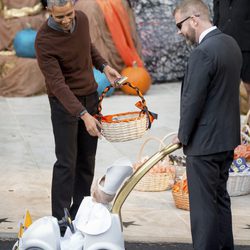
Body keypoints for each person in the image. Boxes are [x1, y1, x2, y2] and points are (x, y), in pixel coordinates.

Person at [35, 0, 121, 228]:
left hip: (89, 96)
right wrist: (83, 115)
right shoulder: (44, 41)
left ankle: (80, 212)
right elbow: (57, 85)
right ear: (48, 11)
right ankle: (61, 219)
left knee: (87, 161)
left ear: (74, 7)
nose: (66, 21)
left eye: (69, 14)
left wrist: (104, 66)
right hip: (63, 104)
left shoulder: (81, 19)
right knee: (66, 162)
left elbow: (87, 46)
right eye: (59, 16)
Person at [172, 0, 242, 249]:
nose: (180, 32)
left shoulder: (203, 52)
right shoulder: (230, 44)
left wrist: (182, 135)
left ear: (194, 19)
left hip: (204, 145)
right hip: (227, 141)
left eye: (180, 25)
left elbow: (193, 100)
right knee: (220, 202)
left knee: (203, 212)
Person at [213, 0, 250, 110]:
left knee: (248, 87)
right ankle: (228, 124)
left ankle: (249, 123)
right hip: (224, 45)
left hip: (246, 45)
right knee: (225, 88)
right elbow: (216, 17)